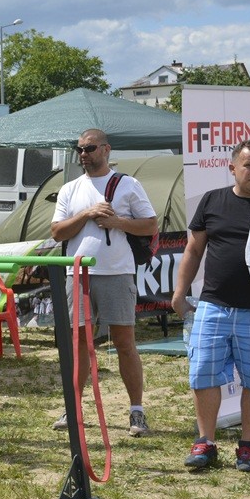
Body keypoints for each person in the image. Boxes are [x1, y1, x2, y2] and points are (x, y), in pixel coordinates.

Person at [173, 139, 250, 471]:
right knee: (203, 374)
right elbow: (193, 251)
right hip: (214, 306)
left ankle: (247, 447)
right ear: (232, 167)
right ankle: (205, 442)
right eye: (249, 165)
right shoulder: (213, 200)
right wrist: (180, 292)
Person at [50, 128, 157, 436]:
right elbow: (57, 232)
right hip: (78, 275)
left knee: (125, 343)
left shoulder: (128, 184)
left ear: (106, 150)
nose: (84, 154)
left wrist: (116, 222)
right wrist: (87, 213)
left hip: (116, 273)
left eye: (90, 148)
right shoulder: (70, 188)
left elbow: (150, 225)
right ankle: (73, 409)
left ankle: (136, 410)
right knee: (80, 346)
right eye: (79, 149)